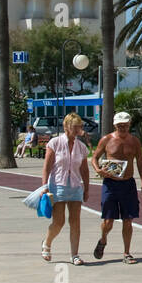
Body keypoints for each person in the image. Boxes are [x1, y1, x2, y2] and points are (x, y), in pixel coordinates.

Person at [90, 112, 142, 264]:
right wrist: (98, 170)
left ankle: (127, 252)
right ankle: (103, 240)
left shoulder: (134, 141)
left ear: (129, 125)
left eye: (126, 125)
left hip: (128, 184)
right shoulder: (107, 139)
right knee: (108, 221)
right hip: (110, 184)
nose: (123, 128)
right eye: (120, 125)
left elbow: (140, 162)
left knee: (128, 220)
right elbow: (94, 157)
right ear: (115, 125)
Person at [41, 113, 91, 265]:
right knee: (59, 222)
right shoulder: (55, 143)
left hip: (75, 186)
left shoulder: (81, 147)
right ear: (67, 127)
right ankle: (47, 243)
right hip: (58, 185)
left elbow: (84, 169)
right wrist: (44, 186)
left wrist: (87, 188)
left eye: (80, 127)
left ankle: (75, 255)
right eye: (75, 126)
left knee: (75, 221)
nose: (78, 129)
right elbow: (47, 167)